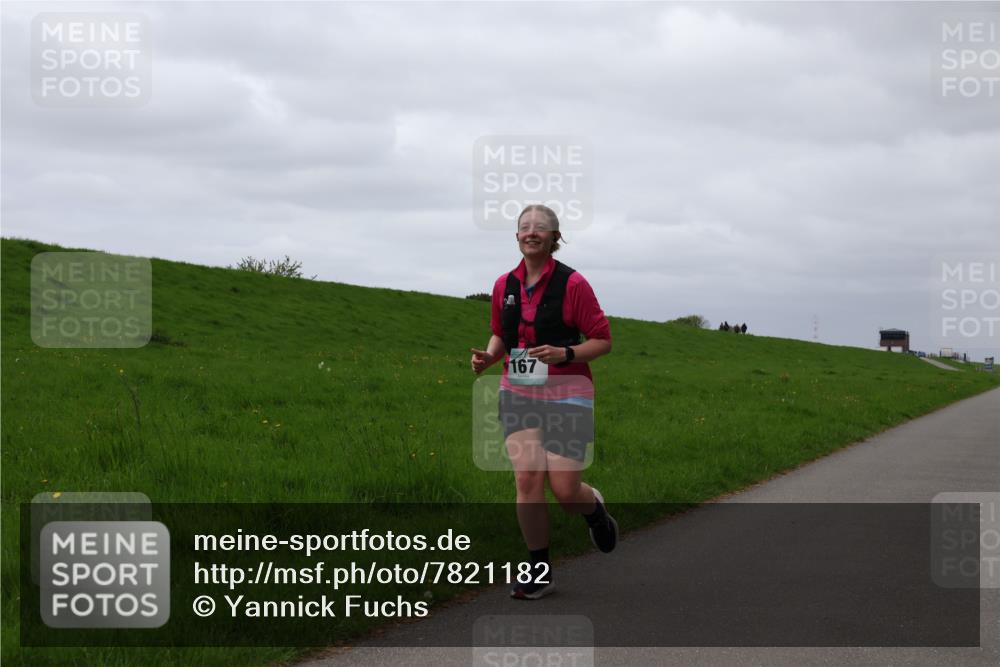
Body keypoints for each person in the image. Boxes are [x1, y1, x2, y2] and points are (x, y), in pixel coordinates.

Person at [470, 204, 617, 600]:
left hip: (568, 391)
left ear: (555, 238)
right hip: (518, 389)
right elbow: (502, 334)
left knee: (566, 491)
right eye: (524, 227)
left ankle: (594, 510)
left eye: (541, 228)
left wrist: (566, 354)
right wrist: (489, 357)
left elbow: (602, 340)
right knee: (527, 478)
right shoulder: (504, 285)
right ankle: (539, 569)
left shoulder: (573, 285)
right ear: (516, 236)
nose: (531, 232)